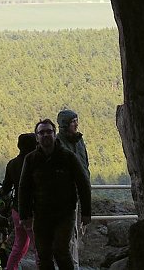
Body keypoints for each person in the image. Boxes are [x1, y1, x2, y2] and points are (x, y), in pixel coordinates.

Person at [18, 119, 91, 270]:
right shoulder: (31, 159)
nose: (45, 135)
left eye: (49, 131)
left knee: (61, 250)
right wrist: (25, 215)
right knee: (43, 254)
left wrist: (86, 213)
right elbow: (24, 188)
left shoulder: (68, 157)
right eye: (41, 132)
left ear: (55, 134)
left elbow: (83, 184)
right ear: (37, 137)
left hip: (65, 213)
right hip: (41, 213)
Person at [0, 132, 37, 270]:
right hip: (32, 212)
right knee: (39, 248)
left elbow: (6, 188)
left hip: (17, 211)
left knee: (19, 245)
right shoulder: (35, 162)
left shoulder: (12, 164)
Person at [56, 109, 91, 267]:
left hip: (80, 193)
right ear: (64, 125)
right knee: (68, 234)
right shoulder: (58, 143)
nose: (76, 124)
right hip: (66, 196)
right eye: (73, 122)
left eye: (76, 120)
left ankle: (74, 265)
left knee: (76, 234)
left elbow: (85, 164)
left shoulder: (79, 141)